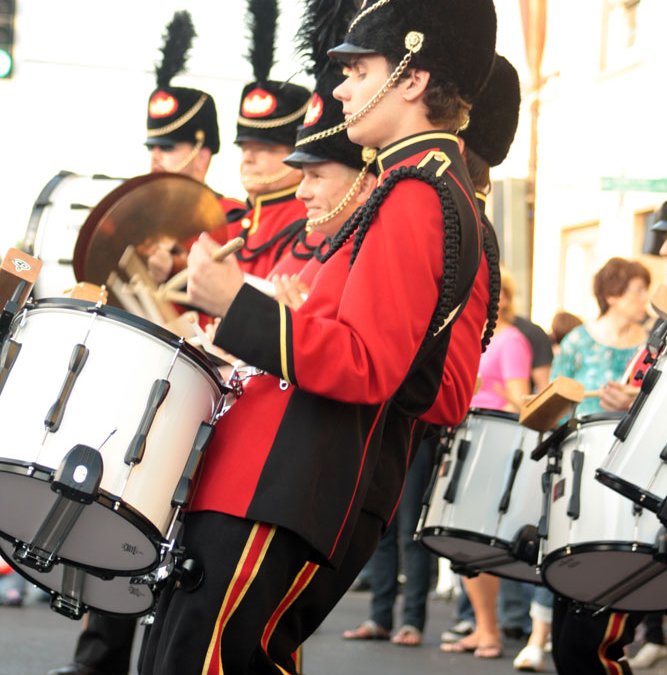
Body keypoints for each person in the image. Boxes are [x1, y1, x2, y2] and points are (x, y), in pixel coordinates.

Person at [139, 0, 497, 671]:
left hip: (288, 479)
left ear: (411, 79)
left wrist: (237, 304)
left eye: (356, 72)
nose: (339, 90)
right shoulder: (413, 186)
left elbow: (368, 365)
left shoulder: (415, 193)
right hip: (274, 475)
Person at [46, 12, 241, 675]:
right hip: (140, 403)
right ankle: (95, 660)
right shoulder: (136, 223)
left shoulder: (231, 223)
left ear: (202, 151)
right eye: (152, 147)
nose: (154, 160)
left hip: (210, 404)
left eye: (169, 148)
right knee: (117, 524)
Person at [545, 256, 651, 675]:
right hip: (578, 475)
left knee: (590, 643)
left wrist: (634, 403)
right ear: (611, 296)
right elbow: (552, 402)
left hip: (627, 487)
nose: (645, 297)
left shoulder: (651, 345)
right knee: (567, 631)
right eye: (637, 290)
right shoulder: (578, 342)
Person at [442, 265, 532, 661]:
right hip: (466, 435)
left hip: (493, 440)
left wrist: (484, 388)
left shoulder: (509, 339)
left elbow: (521, 399)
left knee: (477, 538)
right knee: (463, 539)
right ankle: (482, 628)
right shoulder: (473, 336)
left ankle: (490, 631)